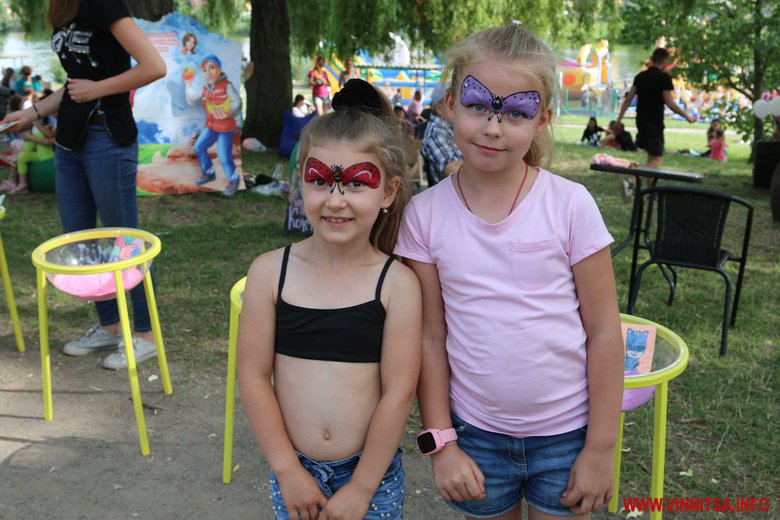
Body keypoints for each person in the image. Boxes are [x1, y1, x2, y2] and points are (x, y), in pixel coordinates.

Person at [395, 23, 624, 519]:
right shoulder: (423, 216)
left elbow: (605, 331)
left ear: (541, 119)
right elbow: (430, 339)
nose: (493, 127)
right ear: (450, 104)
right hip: (475, 437)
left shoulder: (570, 206)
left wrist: (601, 449)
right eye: (478, 105)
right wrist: (442, 445)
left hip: (567, 437)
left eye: (515, 113)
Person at [237, 78, 421, 520]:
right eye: (321, 181)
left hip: (371, 478)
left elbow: (398, 393)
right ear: (301, 181)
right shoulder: (269, 274)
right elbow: (253, 377)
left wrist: (361, 487)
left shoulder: (397, 284)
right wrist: (287, 470)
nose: (336, 200)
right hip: (294, 473)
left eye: (356, 183)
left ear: (388, 192)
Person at [1, 0, 166, 369]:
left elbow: (154, 66)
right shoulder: (62, 11)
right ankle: (109, 326)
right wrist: (32, 112)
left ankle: (144, 334)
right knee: (81, 239)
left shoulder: (104, 5)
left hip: (107, 136)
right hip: (68, 140)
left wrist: (99, 89)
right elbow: (76, 86)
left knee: (124, 239)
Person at [616, 48, 696, 168]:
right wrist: (687, 116)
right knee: (657, 158)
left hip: (641, 121)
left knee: (651, 156)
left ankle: (648, 186)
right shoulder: (664, 78)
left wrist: (619, 119)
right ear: (665, 60)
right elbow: (670, 103)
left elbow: (628, 100)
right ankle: (632, 180)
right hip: (654, 122)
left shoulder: (640, 77)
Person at [184, 54, 243, 196]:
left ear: (219, 69)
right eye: (205, 70)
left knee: (223, 156)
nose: (208, 72)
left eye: (212, 68)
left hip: (225, 129)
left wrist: (228, 112)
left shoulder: (226, 86)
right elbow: (192, 100)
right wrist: (188, 84)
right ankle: (209, 172)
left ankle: (234, 179)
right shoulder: (205, 88)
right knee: (199, 147)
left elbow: (237, 102)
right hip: (211, 127)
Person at [420, 82, 463, 185]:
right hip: (451, 198)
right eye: (453, 104)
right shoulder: (436, 132)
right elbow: (453, 169)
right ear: (439, 109)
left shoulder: (449, 129)